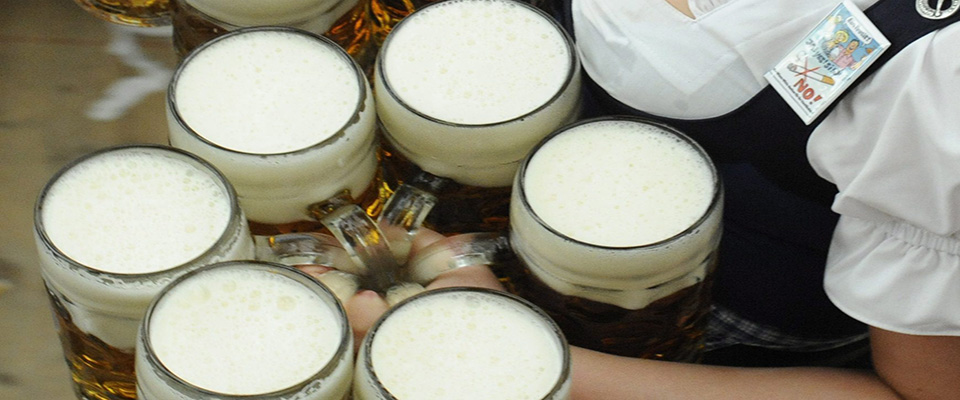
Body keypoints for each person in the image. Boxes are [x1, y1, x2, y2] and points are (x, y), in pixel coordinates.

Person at [315, 0, 960, 398]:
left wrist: (508, 354)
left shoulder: (937, 78)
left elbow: (916, 392)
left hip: (703, 348)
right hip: (494, 232)